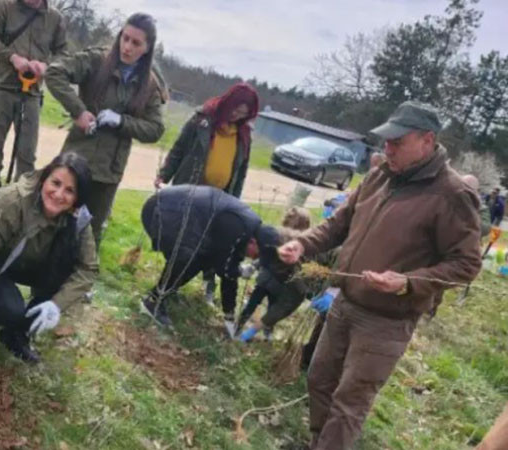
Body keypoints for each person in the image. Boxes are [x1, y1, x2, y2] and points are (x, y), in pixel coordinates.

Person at [277, 101, 481, 450]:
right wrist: (302, 244)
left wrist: (409, 282)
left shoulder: (452, 194)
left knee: (350, 402)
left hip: (387, 320)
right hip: (345, 303)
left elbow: (466, 264)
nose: (387, 148)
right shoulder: (379, 176)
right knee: (319, 380)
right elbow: (338, 224)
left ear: (427, 141)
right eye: (386, 141)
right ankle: (318, 443)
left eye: (397, 142)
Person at [0, 153, 98, 364]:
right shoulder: (13, 202)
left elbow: (88, 269)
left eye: (69, 191)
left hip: (22, 260)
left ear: (78, 198)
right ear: (44, 179)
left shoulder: (78, 218)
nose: (58, 194)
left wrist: (56, 304)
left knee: (67, 269)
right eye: (55, 183)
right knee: (9, 310)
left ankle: (16, 335)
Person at [46, 12, 166, 244]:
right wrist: (79, 111)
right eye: (125, 38)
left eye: (136, 43)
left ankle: (78, 278)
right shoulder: (97, 61)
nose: (127, 47)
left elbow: (156, 129)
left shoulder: (149, 85)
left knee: (89, 235)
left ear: (147, 48)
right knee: (55, 222)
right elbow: (55, 72)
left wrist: (122, 122)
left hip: (109, 171)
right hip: (76, 159)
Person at [155, 82, 259, 304]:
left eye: (244, 113)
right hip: (189, 192)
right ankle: (162, 290)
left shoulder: (244, 136)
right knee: (182, 242)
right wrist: (164, 175)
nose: (237, 116)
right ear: (229, 101)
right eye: (236, 109)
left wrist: (234, 205)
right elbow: (179, 149)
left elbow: (240, 173)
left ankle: (174, 287)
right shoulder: (202, 120)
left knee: (203, 246)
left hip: (218, 201)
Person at [139, 185, 279, 331]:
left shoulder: (247, 229)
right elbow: (225, 270)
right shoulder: (237, 226)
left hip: (179, 214)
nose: (250, 258)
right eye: (255, 255)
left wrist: (229, 314)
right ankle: (153, 301)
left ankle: (167, 290)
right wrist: (229, 317)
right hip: (161, 210)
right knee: (188, 256)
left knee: (203, 259)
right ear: (253, 242)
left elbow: (226, 267)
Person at [0, 0, 67, 197]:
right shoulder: (5, 7)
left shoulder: (55, 18)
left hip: (32, 93)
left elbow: (63, 53)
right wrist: (12, 57)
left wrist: (47, 66)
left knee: (27, 153)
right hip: (2, 86)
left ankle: (20, 199)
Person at [237, 207, 314, 342]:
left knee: (271, 306)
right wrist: (253, 266)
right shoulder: (276, 238)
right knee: (253, 303)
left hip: (278, 284)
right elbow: (265, 254)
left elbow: (297, 275)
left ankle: (266, 330)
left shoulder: (300, 251)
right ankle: (239, 325)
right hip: (266, 279)